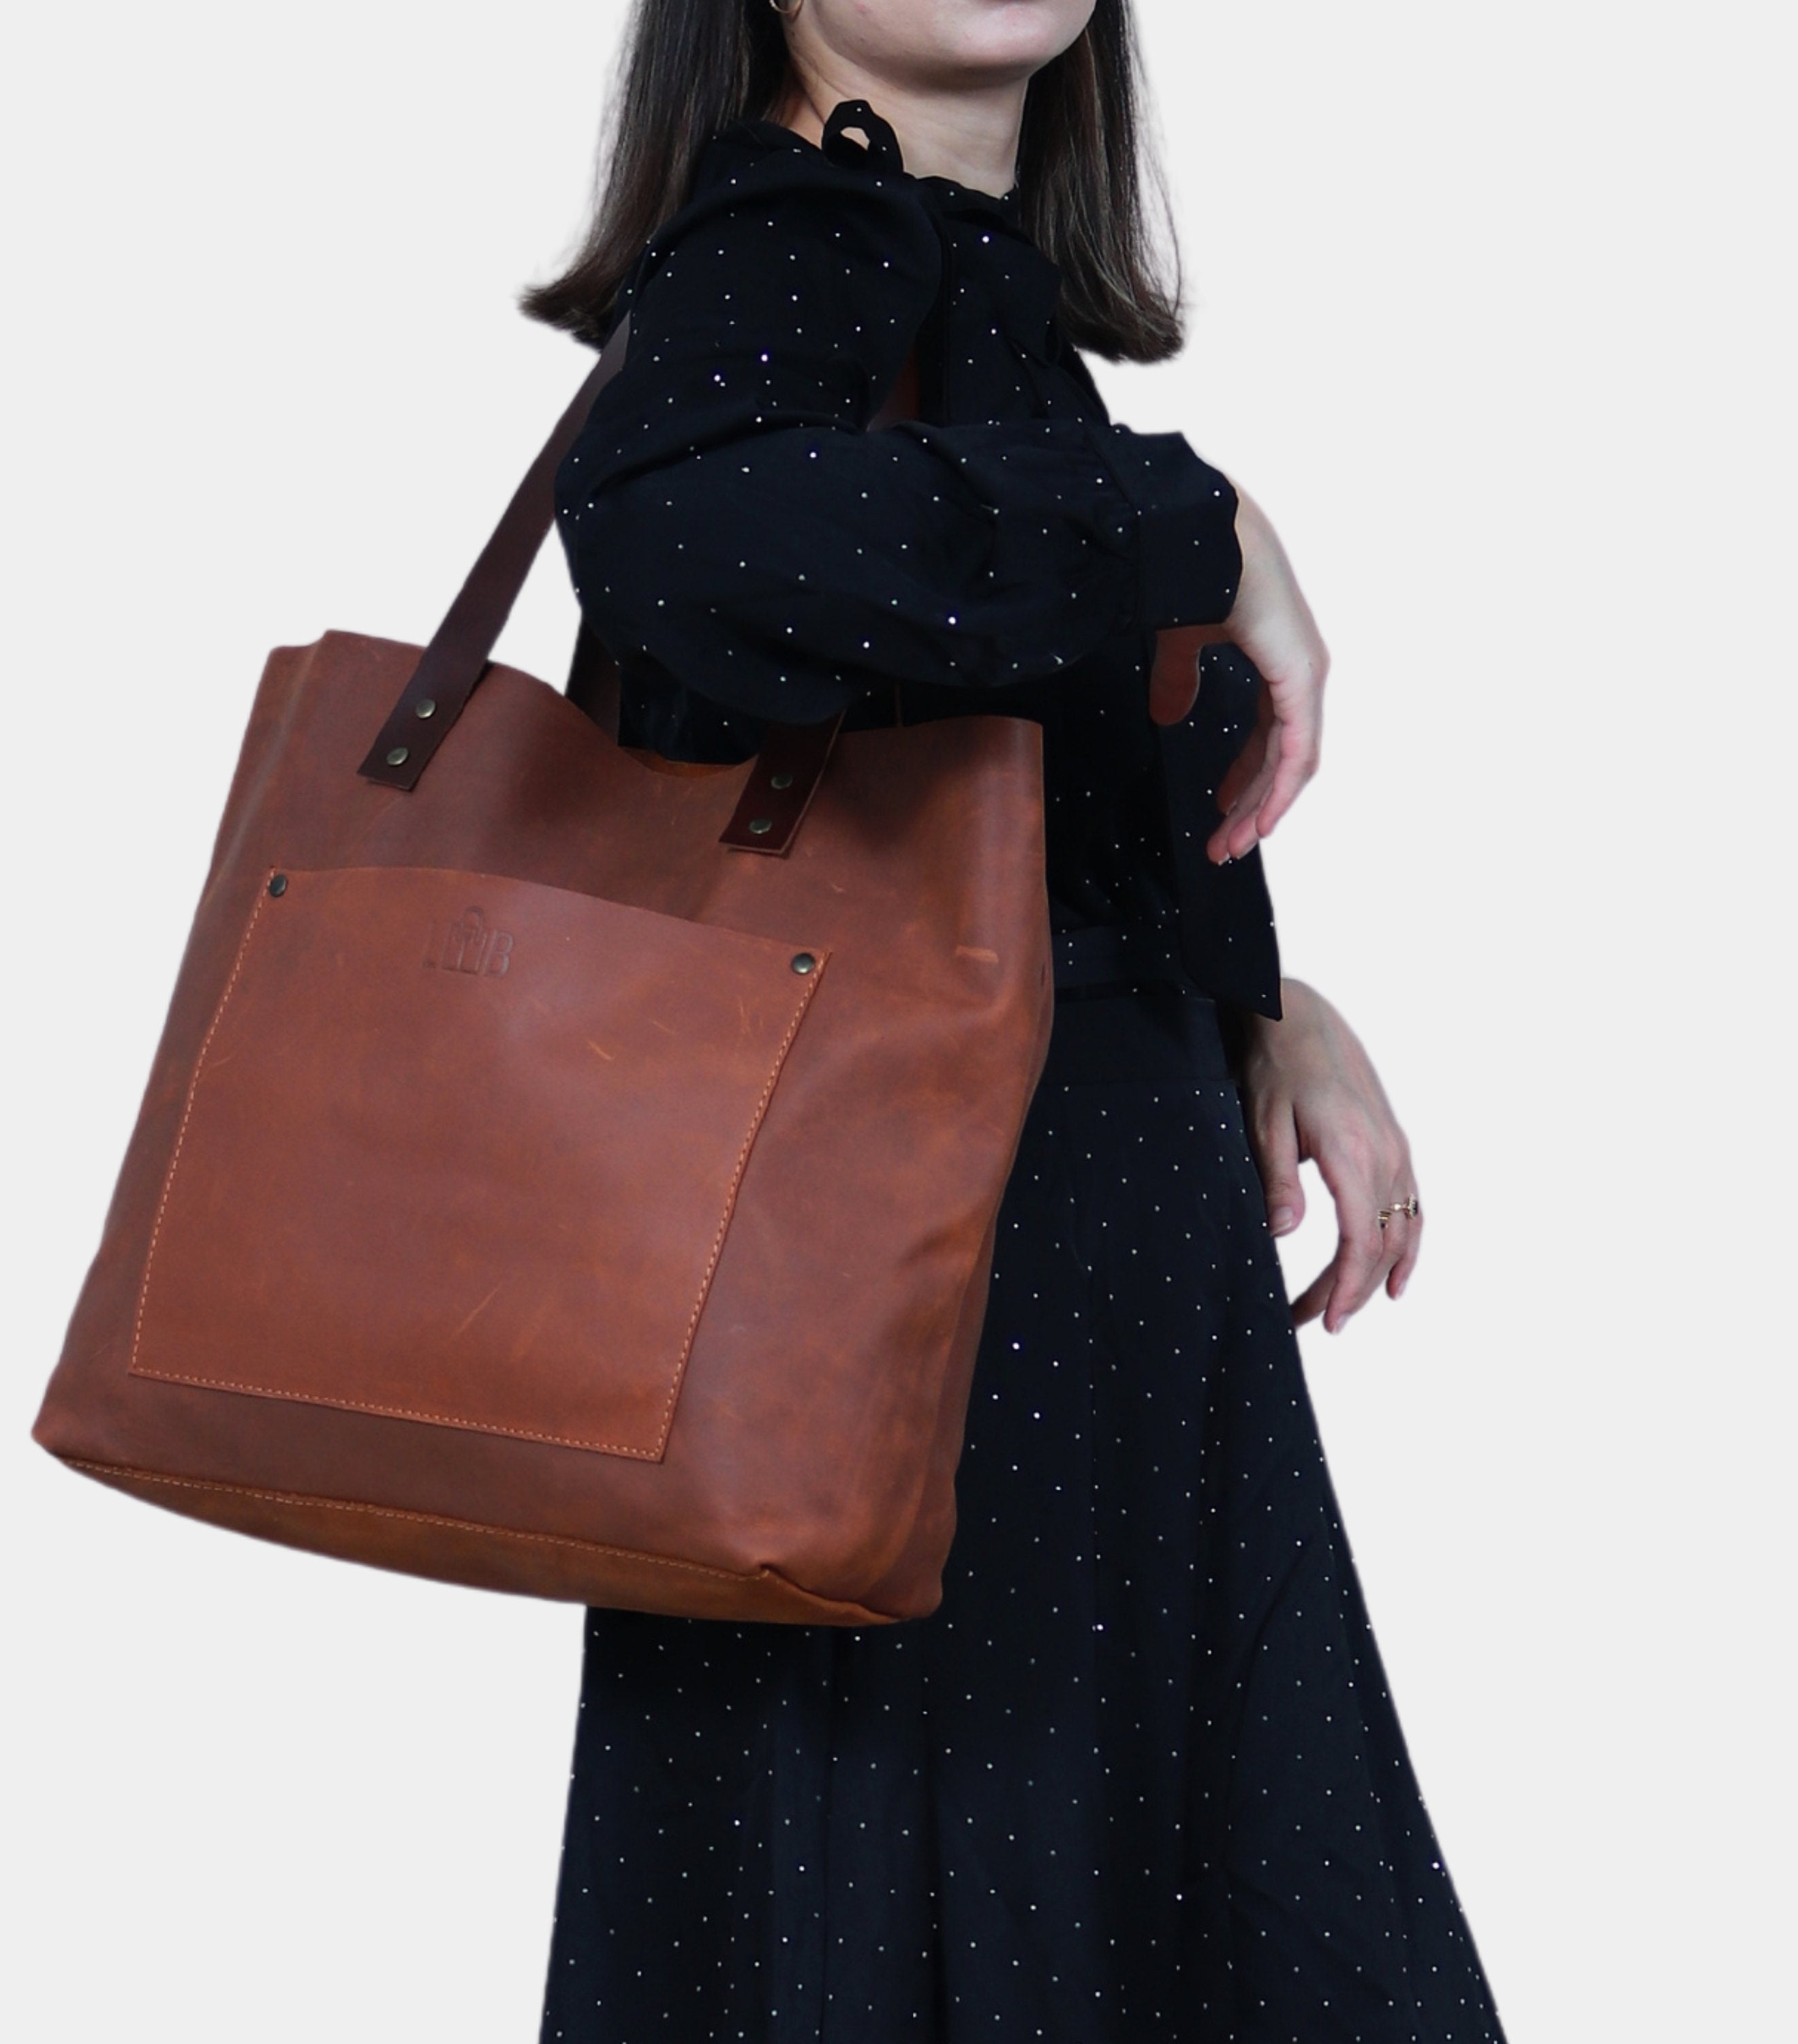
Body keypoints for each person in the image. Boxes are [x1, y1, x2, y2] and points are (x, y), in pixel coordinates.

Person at [523, 2, 1502, 2036]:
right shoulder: (797, 242)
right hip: (940, 1306)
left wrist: (1253, 997)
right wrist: (1196, 524)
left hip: (1056, 1278)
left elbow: (982, 788)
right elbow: (672, 537)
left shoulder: (969, 285)